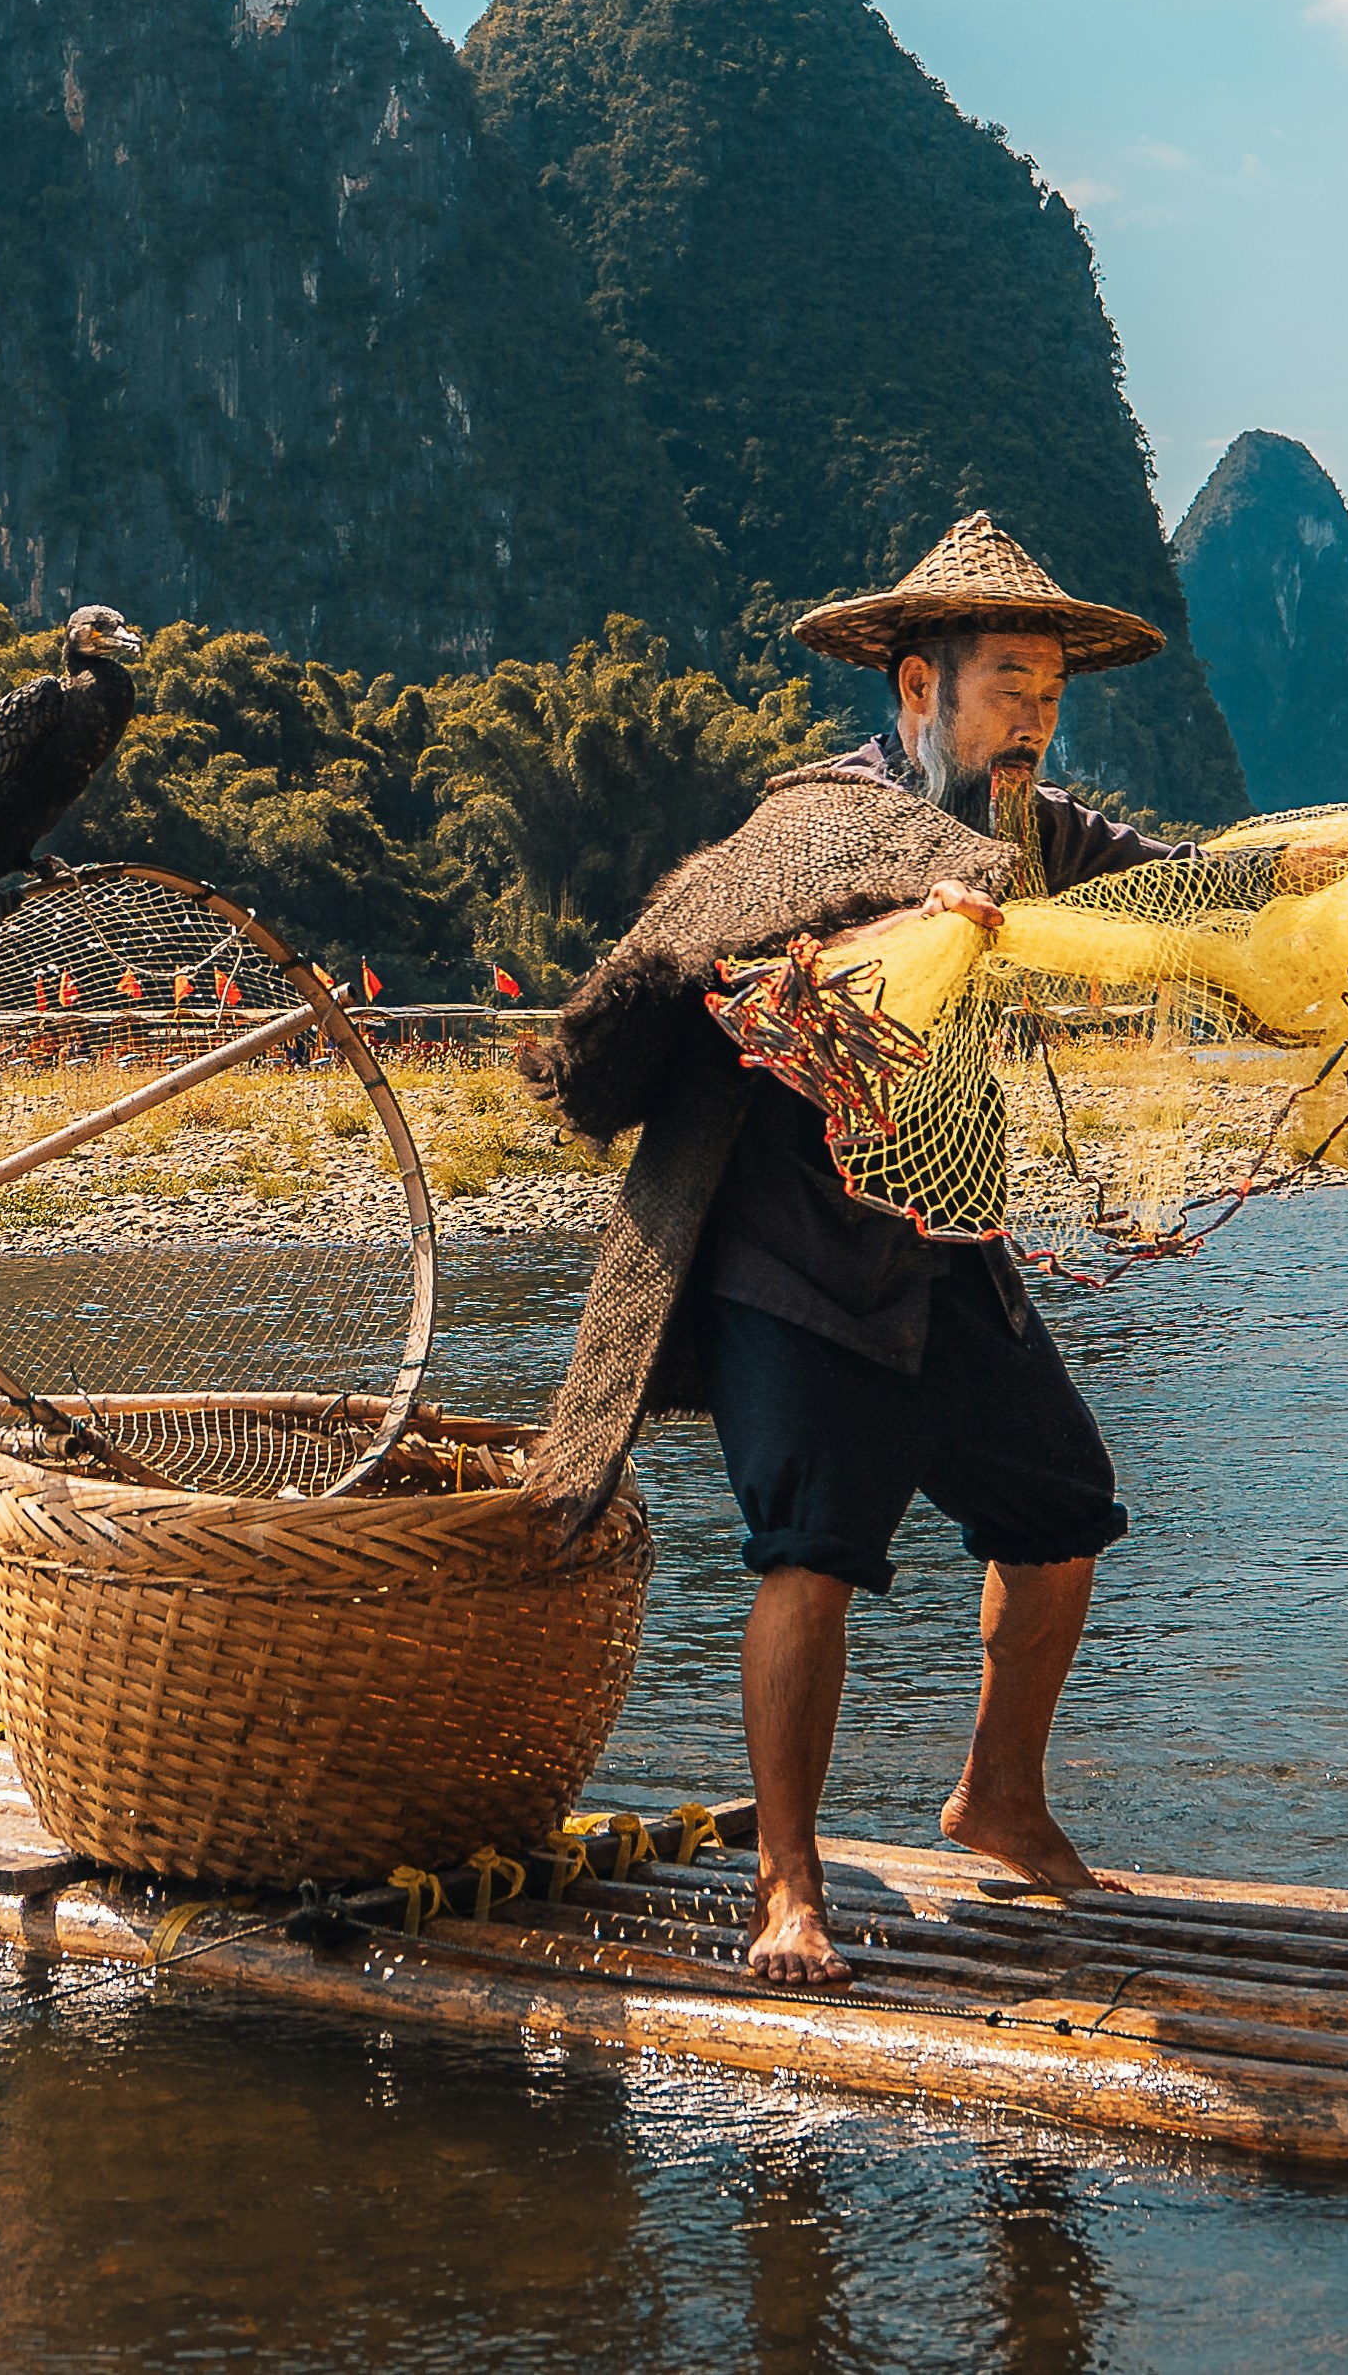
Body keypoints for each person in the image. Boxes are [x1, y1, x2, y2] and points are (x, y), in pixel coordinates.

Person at [517, 512, 1179, 1989]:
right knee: (808, 1551)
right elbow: (730, 964)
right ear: (915, 690)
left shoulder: (1033, 832)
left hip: (941, 1243)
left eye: (1051, 696)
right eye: (1007, 683)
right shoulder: (821, 823)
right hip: (795, 1254)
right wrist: (878, 945)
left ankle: (999, 1794)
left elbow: (1182, 893)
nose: (1030, 718)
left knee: (1063, 1507)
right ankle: (787, 1884)